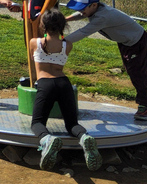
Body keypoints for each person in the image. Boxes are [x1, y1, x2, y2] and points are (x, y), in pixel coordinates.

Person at [65, 0, 147, 121]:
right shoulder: (93, 10)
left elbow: (83, 32)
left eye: (82, 8)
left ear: (93, 5)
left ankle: (145, 106)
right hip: (126, 41)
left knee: (136, 72)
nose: (80, 11)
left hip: (135, 40)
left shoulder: (102, 17)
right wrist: (66, 19)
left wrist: (61, 42)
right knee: (135, 69)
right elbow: (81, 15)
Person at [29, 9, 102, 171]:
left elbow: (36, 57)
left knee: (37, 123)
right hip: (63, 83)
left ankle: (47, 140)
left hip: (45, 84)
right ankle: (84, 137)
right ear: (63, 26)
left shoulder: (34, 42)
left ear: (44, 25)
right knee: (71, 124)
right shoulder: (67, 45)